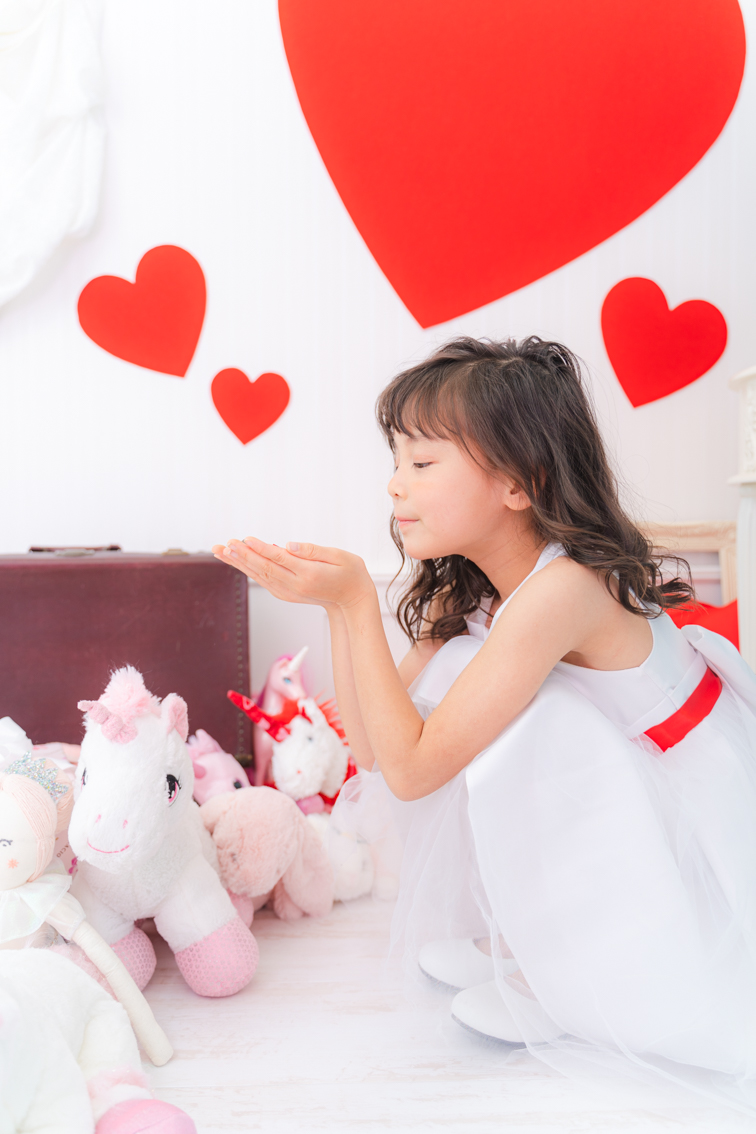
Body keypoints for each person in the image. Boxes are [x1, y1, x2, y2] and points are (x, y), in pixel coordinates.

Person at [214, 337, 756, 1114]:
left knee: (541, 718)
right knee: (468, 685)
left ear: (518, 483)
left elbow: (415, 771)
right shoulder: (473, 589)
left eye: (422, 462)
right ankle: (541, 943)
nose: (396, 484)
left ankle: (569, 969)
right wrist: (337, 609)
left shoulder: (563, 588)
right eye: (396, 461)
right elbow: (377, 752)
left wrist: (358, 602)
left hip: (686, 817)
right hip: (624, 802)